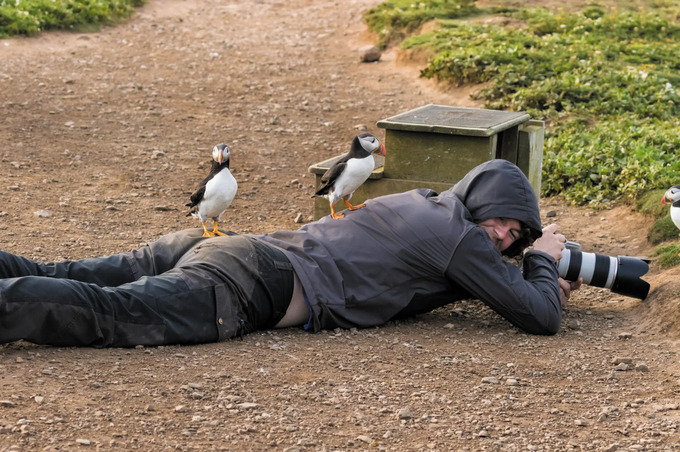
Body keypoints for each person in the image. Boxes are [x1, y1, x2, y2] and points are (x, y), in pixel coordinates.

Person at [0, 159, 581, 348]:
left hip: (230, 250)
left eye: (514, 237)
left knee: (62, 273)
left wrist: (524, 261)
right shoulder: (459, 237)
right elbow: (540, 318)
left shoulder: (424, 203)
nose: (502, 240)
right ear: (481, 206)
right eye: (502, 226)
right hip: (248, 283)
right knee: (107, 313)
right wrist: (543, 261)